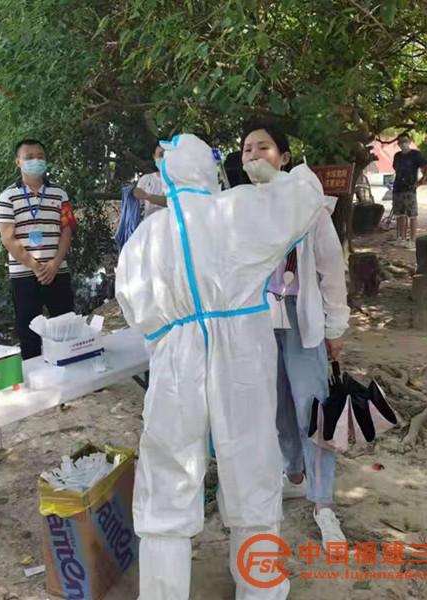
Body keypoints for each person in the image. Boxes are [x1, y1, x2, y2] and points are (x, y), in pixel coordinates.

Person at [116, 133, 325, 599]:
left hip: (176, 360)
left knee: (169, 473)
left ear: (168, 175)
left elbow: (131, 306)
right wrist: (274, 178)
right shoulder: (237, 209)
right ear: (208, 171)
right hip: (242, 354)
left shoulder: (146, 236)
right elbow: (306, 197)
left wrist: (169, 331)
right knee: (252, 462)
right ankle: (260, 588)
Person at [240, 125, 350, 549]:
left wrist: (335, 325)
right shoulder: (241, 207)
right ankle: (294, 474)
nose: (254, 155)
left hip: (301, 316)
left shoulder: (307, 203)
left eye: (263, 147)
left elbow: (330, 266)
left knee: (312, 405)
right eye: (247, 149)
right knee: (276, 403)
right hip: (259, 319)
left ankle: (324, 504)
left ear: (283, 157)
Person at [0, 139, 75, 359]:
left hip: (58, 270)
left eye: (40, 156)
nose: (36, 161)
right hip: (24, 274)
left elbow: (67, 230)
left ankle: (72, 367)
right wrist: (36, 266)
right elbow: (8, 238)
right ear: (18, 162)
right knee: (29, 331)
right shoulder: (7, 197)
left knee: (66, 325)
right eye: (29, 157)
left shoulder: (60, 194)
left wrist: (55, 263)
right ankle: (35, 375)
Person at [392, 132, 427, 249]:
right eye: (400, 142)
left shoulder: (415, 155)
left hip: (410, 189)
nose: (403, 144)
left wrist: (422, 180)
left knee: (412, 215)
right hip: (397, 188)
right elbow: (395, 168)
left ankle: (413, 239)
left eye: (405, 141)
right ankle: (401, 238)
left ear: (409, 141)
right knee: (400, 215)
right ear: (398, 143)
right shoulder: (397, 156)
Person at [133, 142, 167, 220]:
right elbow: (138, 205)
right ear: (154, 157)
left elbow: (171, 202)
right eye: (161, 155)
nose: (164, 158)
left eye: (166, 155)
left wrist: (147, 196)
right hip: (149, 224)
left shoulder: (179, 180)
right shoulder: (146, 179)